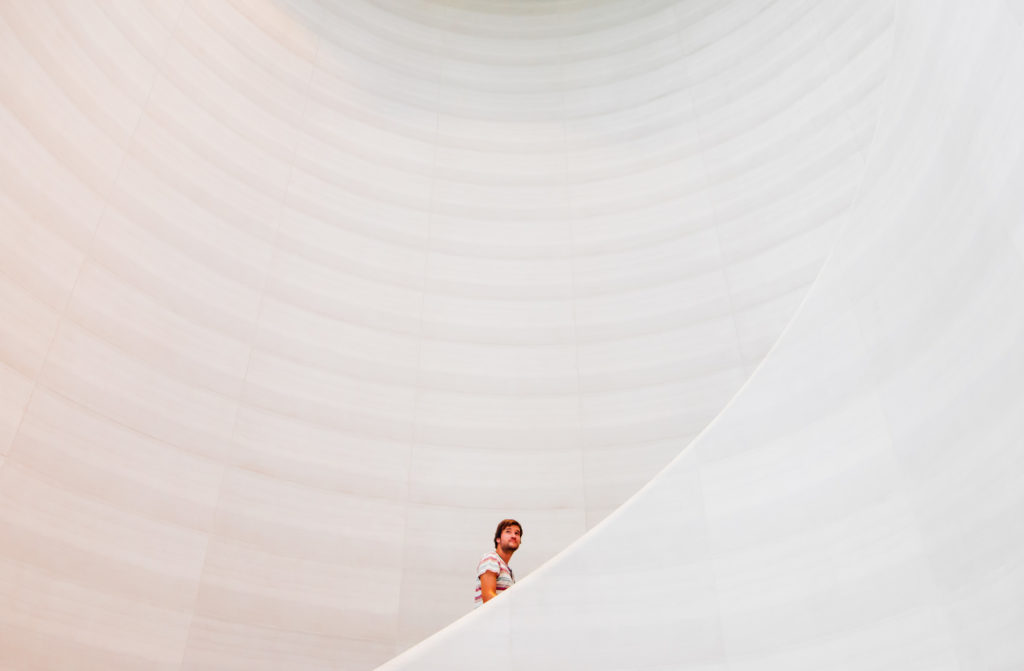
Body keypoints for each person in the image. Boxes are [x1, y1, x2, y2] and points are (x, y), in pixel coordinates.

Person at [474, 518, 522, 607]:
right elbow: (488, 597)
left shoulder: (508, 570)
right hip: (489, 620)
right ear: (498, 539)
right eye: (508, 531)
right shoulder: (491, 558)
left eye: (517, 533)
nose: (513, 536)